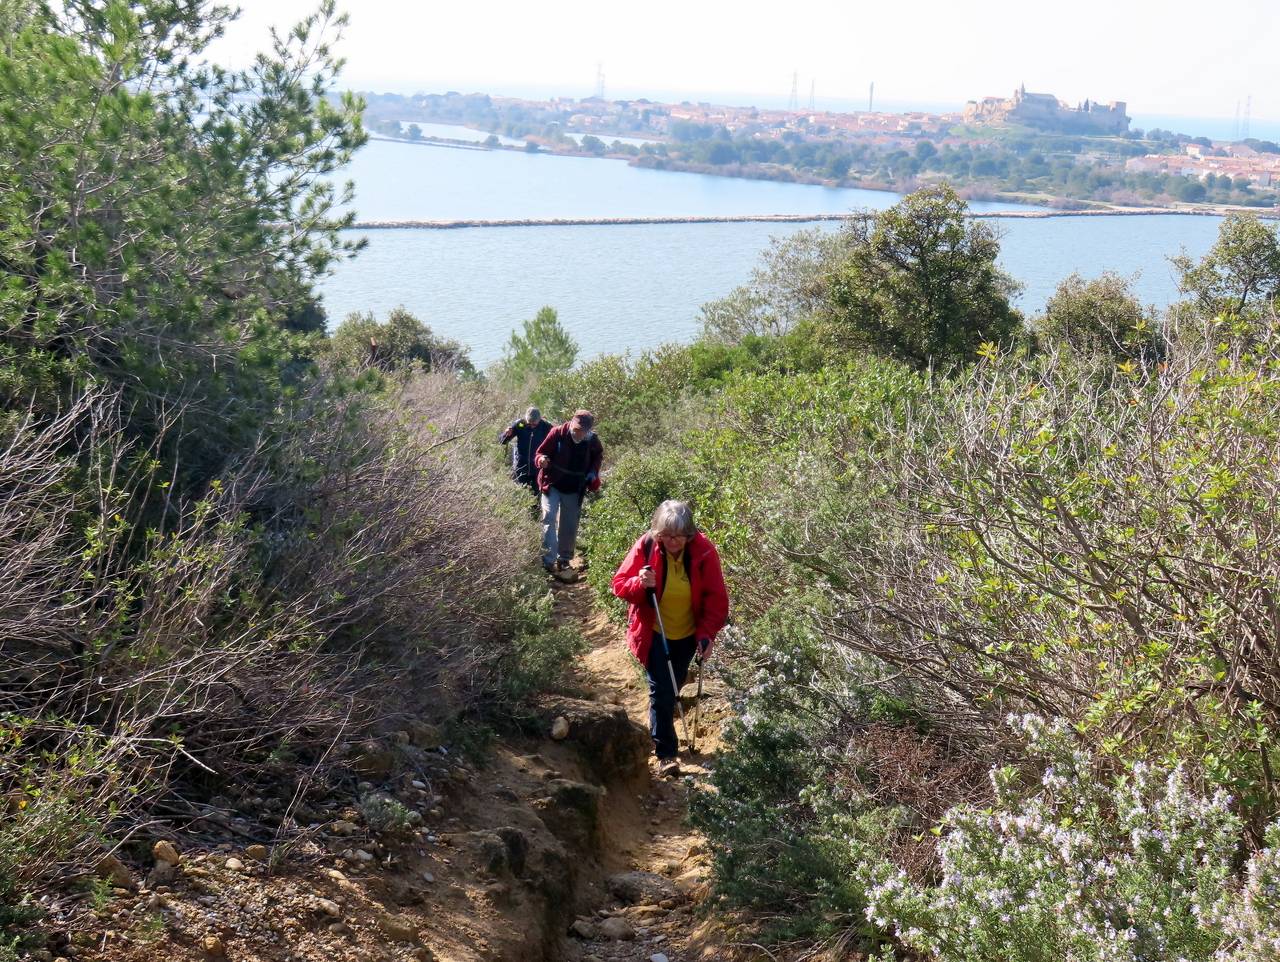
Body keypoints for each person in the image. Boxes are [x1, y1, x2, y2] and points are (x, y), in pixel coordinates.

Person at [611, 500, 729, 776]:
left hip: (687, 635)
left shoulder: (704, 551)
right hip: (654, 633)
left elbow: (716, 599)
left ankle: (663, 736)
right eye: (665, 535)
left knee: (671, 687)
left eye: (677, 536)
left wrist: (707, 635)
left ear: (689, 535)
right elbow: (619, 585)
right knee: (661, 692)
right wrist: (640, 583)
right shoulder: (648, 545)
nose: (671, 541)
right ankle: (666, 753)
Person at [534, 410, 603, 575]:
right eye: (576, 428)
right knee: (548, 517)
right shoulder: (558, 432)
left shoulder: (592, 440)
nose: (577, 432)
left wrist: (593, 472)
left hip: (574, 487)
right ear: (571, 423)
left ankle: (564, 559)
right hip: (552, 483)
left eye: (582, 430)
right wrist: (541, 460)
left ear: (588, 430)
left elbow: (598, 456)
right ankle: (548, 560)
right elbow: (540, 453)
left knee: (569, 524)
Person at [498, 406, 551, 492]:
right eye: (529, 424)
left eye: (535, 424)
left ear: (539, 420)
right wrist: (506, 434)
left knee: (535, 496)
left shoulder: (546, 426)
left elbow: (555, 442)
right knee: (521, 494)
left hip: (538, 467)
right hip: (521, 466)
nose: (532, 426)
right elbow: (502, 441)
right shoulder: (520, 424)